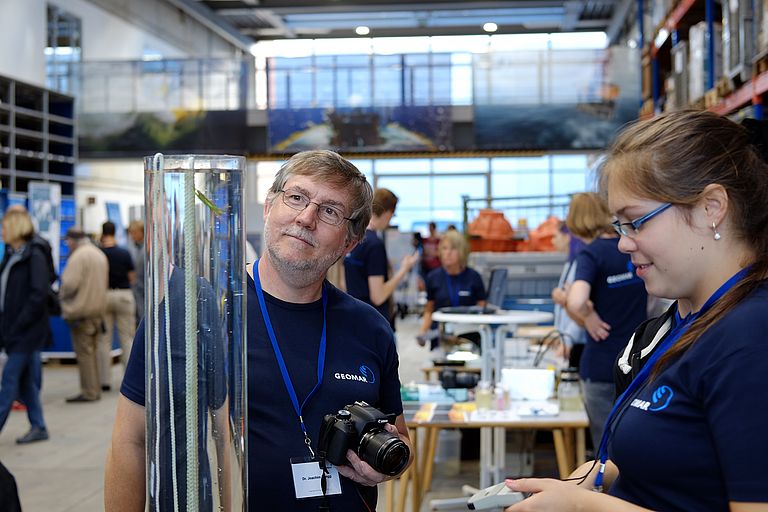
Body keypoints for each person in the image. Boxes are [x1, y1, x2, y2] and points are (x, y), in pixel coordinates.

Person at [105, 149, 413, 511]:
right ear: (269, 206)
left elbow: (401, 438)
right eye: (296, 197)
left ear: (350, 241)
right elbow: (132, 441)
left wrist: (389, 465)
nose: (306, 218)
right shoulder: (195, 314)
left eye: (330, 211)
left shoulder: (370, 328)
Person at [504, 111, 768, 511]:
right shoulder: (684, 321)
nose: (624, 244)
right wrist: (591, 477)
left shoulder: (750, 337)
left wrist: (584, 506)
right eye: (619, 226)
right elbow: (675, 462)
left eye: (635, 222)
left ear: (711, 207)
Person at [564, 192, 647, 450]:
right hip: (638, 363)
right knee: (635, 447)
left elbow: (577, 300)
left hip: (601, 365)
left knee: (606, 454)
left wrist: (588, 316)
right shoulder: (634, 248)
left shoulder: (590, 255)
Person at [0, 209, 50, 443]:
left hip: (26, 331)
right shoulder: (12, 255)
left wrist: (19, 324)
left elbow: (38, 294)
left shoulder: (34, 255)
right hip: (14, 329)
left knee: (9, 381)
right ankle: (39, 426)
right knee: (26, 382)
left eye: (4, 227)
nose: (2, 232)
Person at [343, 187, 418, 326]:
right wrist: (404, 269)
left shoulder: (354, 239)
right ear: (389, 213)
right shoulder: (374, 245)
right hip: (374, 322)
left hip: (355, 317)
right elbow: (378, 296)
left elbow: (344, 284)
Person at [59, 227, 109, 403]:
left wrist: (61, 294)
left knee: (85, 354)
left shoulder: (78, 257)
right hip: (98, 310)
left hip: (82, 311)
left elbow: (70, 284)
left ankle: (89, 391)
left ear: (72, 241)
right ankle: (94, 389)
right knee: (92, 352)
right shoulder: (99, 254)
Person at [417, 229, 486, 350]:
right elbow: (429, 310)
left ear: (462, 251)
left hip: (469, 339)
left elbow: (482, 310)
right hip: (441, 339)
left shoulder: (474, 277)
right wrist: (423, 332)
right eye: (444, 248)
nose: (448, 253)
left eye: (453, 249)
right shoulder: (433, 277)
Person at [98, 221, 136, 391]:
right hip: (123, 295)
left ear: (103, 232)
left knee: (103, 340)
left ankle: (104, 381)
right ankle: (129, 380)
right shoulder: (124, 253)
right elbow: (132, 277)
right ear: (115, 232)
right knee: (126, 338)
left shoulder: (98, 253)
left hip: (104, 295)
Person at [549, 221, 586, 367]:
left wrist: (568, 341)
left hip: (577, 341)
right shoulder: (570, 263)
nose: (552, 241)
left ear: (567, 237)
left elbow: (579, 305)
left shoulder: (580, 264)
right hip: (568, 338)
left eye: (555, 236)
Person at [126, 219, 145, 324]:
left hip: (145, 289)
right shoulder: (131, 247)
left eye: (135, 232)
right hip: (135, 289)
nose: (132, 236)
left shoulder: (148, 248)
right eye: (131, 233)